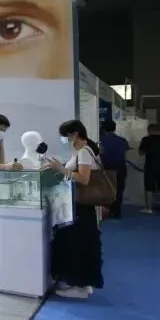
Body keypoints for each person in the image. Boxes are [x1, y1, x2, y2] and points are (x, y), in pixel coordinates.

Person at [45, 120, 104, 299]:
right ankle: (82, 283)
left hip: (81, 206)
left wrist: (60, 169)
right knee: (80, 244)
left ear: (75, 134)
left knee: (79, 244)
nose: (64, 139)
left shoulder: (84, 152)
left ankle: (80, 286)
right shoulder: (81, 151)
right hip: (79, 206)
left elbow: (84, 179)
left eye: (66, 135)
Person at [139, 124, 160, 214]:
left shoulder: (146, 139)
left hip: (150, 166)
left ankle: (148, 208)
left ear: (149, 130)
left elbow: (141, 152)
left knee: (149, 188)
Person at [99, 120, 129, 219]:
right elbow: (124, 153)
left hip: (105, 168)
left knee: (105, 189)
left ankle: (106, 211)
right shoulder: (122, 140)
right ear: (114, 129)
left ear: (103, 129)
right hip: (120, 167)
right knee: (119, 189)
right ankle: (116, 211)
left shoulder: (100, 140)